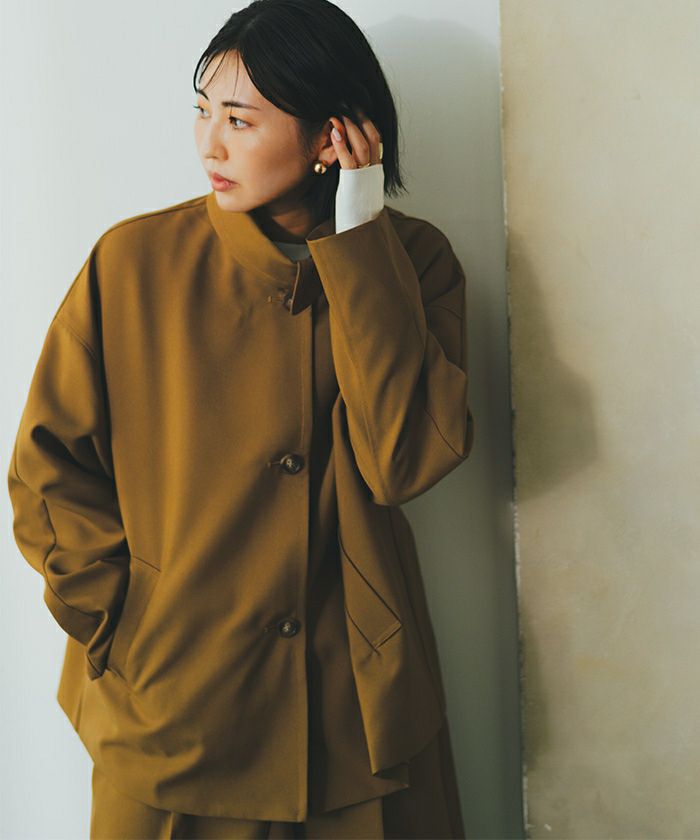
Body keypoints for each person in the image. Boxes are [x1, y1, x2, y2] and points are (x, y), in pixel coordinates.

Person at [7, 0, 476, 837]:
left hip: (356, 721)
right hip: (172, 707)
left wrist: (361, 241)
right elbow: (48, 470)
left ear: (331, 134)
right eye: (204, 111)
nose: (209, 145)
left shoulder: (414, 263)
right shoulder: (133, 263)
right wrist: (122, 623)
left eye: (240, 119)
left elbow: (403, 463)